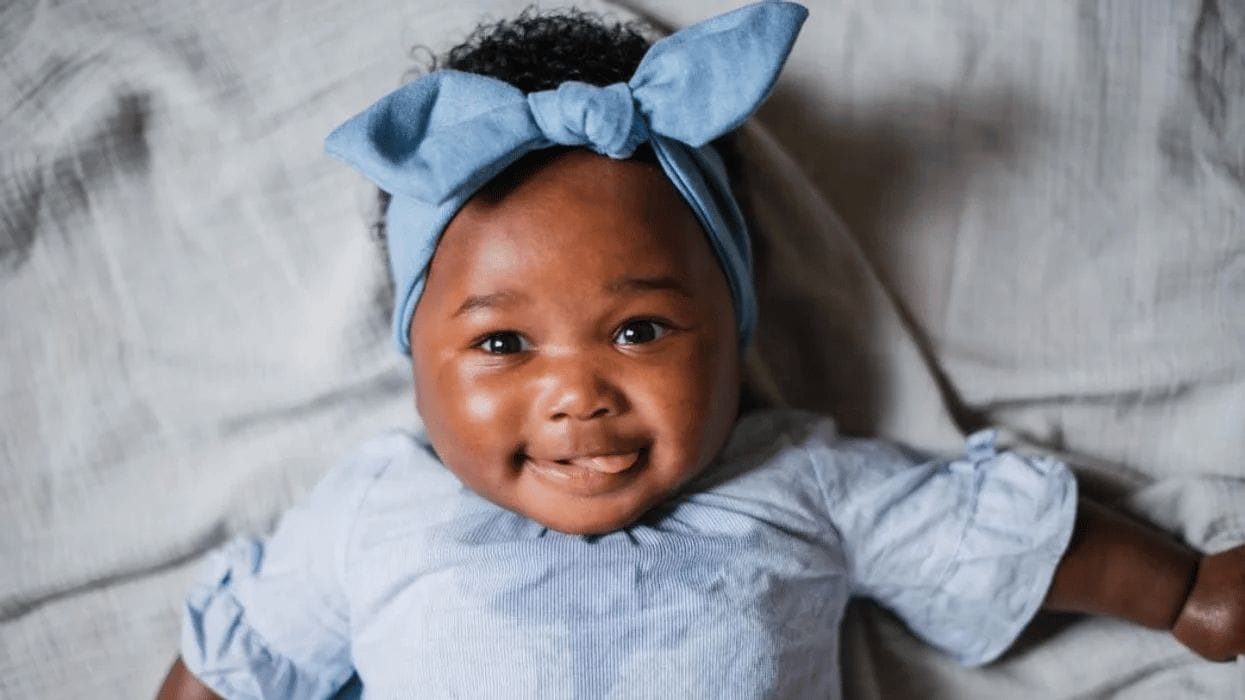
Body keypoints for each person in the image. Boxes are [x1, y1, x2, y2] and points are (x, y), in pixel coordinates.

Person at [156, 3, 1244, 698]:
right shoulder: (374, 512)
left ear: (733, 327)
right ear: (414, 357)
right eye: (502, 341)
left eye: (638, 329)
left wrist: (1186, 592)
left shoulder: (799, 484)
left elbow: (1002, 545)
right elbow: (240, 655)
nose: (577, 392)